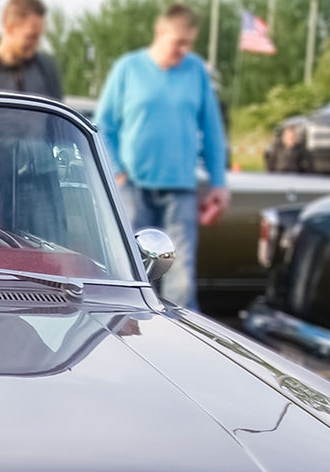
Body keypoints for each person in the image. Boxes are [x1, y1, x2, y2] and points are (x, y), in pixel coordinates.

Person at [94, 4, 229, 309]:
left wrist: (219, 182)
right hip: (133, 187)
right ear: (161, 31)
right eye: (178, 42)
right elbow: (105, 125)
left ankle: (184, 339)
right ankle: (127, 325)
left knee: (181, 273)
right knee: (131, 266)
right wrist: (116, 170)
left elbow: (212, 130)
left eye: (189, 43)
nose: (184, 50)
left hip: (180, 189)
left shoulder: (195, 71)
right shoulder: (128, 69)